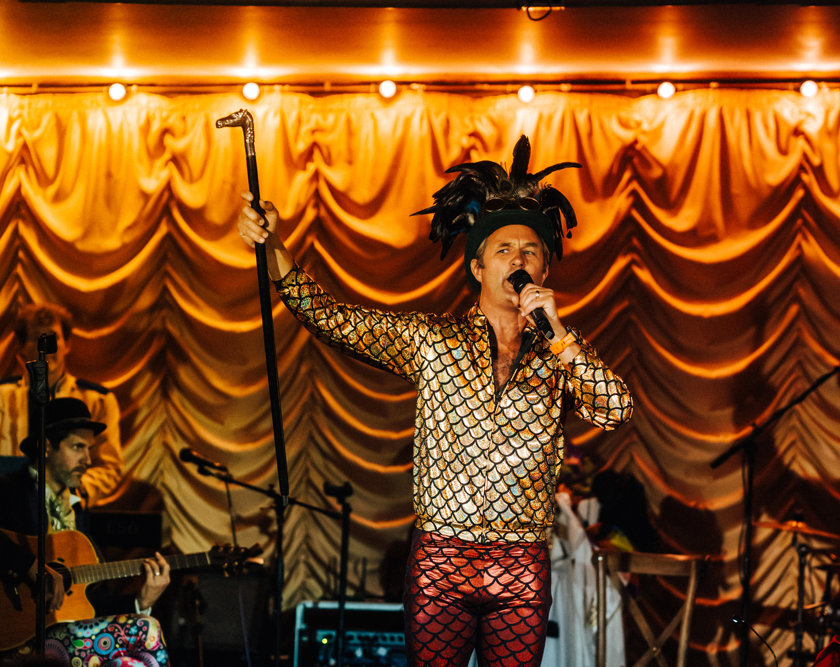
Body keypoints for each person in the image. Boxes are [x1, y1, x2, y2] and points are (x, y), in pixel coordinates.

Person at [238, 136, 633, 667]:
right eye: (503, 250)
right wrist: (274, 249)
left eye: (530, 251)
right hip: (441, 559)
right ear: (477, 267)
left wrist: (560, 336)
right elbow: (332, 319)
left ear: (544, 272)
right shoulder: (432, 339)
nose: (518, 259)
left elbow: (617, 409)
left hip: (521, 563)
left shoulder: (559, 353)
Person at [0, 397, 171, 666]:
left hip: (64, 635)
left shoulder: (77, 511)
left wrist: (140, 601)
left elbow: (87, 605)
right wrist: (28, 565)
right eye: (77, 447)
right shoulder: (9, 491)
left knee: (131, 663)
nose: (87, 459)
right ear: (46, 446)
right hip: (18, 640)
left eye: (89, 449)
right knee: (147, 629)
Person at [0, 303, 124, 505]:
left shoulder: (98, 400)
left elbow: (109, 467)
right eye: (36, 338)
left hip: (70, 511)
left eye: (53, 337)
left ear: (67, 344)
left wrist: (72, 494)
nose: (46, 346)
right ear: (22, 347)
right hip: (9, 507)